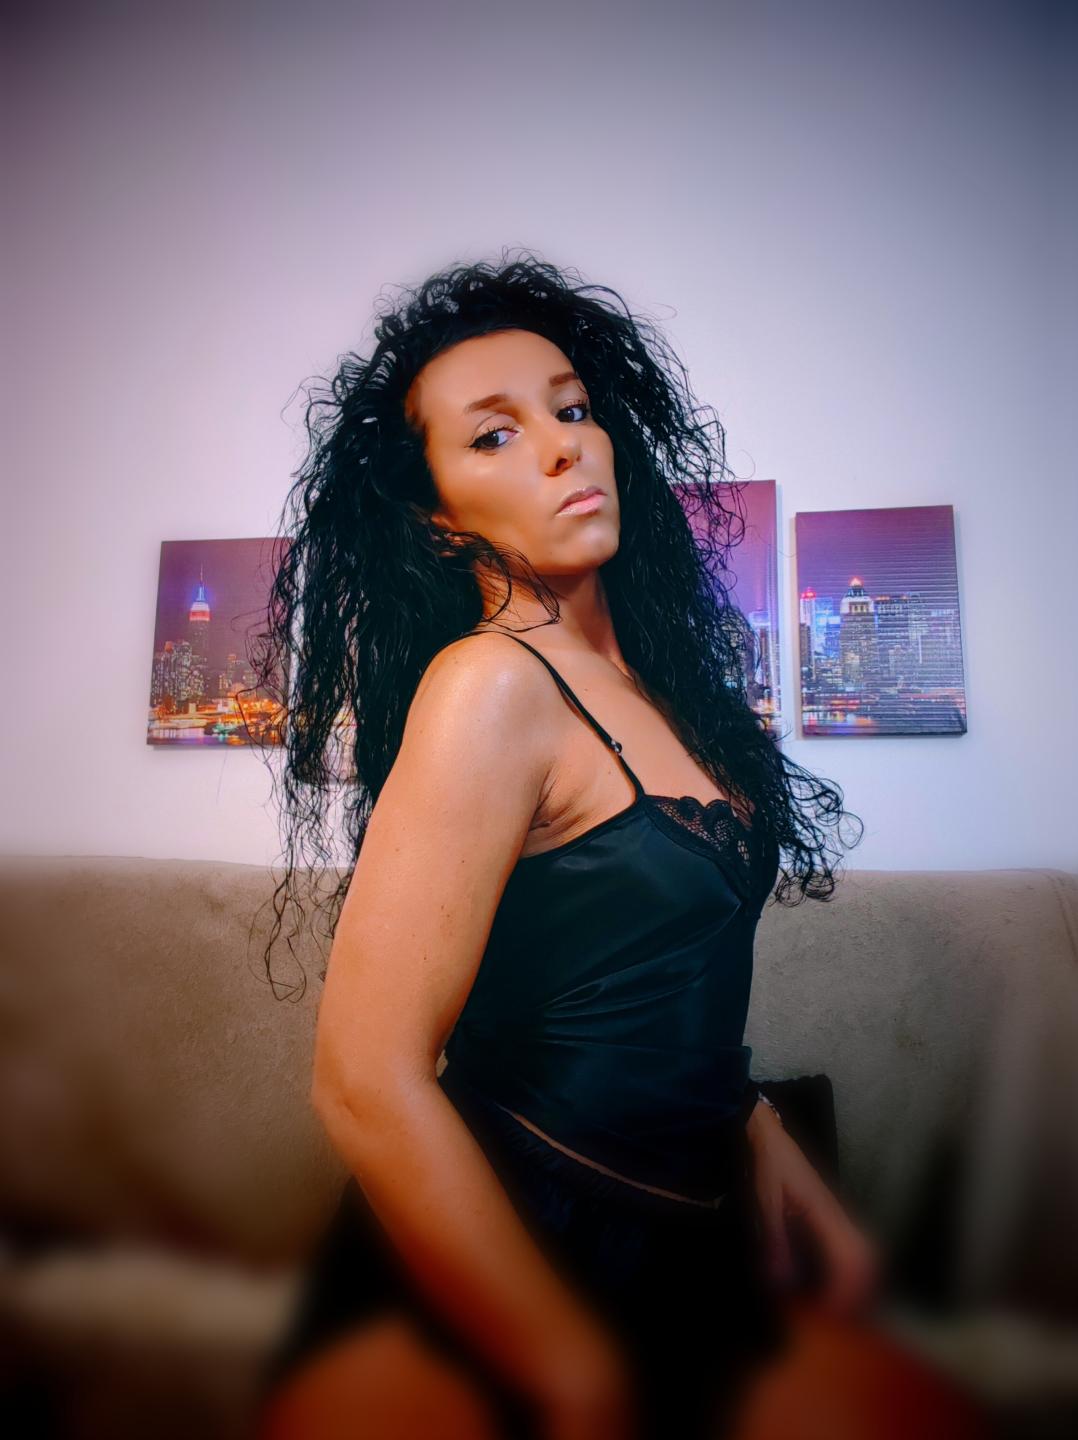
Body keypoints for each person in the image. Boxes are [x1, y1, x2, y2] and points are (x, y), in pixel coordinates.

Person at [248, 252, 988, 1440]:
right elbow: (364, 1080)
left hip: (692, 1238)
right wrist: (571, 1370)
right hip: (513, 1250)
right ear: (438, 518)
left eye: (571, 408)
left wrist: (764, 1138)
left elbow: (647, 969)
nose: (560, 447)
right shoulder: (489, 683)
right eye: (494, 435)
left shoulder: (657, 686)